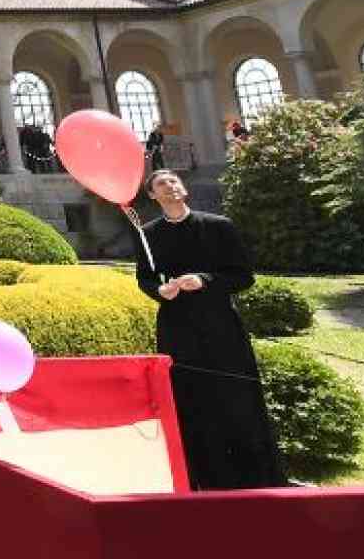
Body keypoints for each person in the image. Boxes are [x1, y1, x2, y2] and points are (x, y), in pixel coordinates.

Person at [135, 170, 285, 490]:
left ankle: (253, 477)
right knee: (188, 399)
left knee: (235, 398)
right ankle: (199, 479)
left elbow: (243, 276)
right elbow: (145, 278)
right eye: (161, 184)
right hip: (176, 328)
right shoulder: (146, 234)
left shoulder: (219, 226)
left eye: (174, 181)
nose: (170, 186)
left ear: (183, 188)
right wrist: (159, 291)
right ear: (152, 195)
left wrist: (204, 280)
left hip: (220, 325)